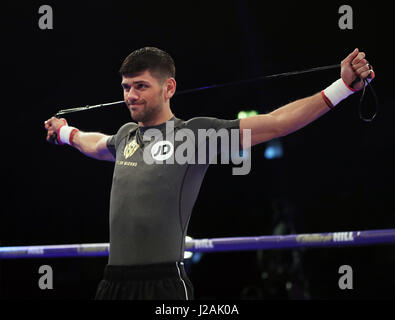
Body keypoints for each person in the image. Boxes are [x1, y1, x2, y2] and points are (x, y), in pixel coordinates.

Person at [44, 47, 374, 300]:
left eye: (140, 86)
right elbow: (96, 144)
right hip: (112, 282)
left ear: (168, 88)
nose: (130, 95)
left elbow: (276, 123)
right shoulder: (126, 135)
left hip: (163, 284)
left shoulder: (195, 135)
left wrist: (342, 87)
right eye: (126, 87)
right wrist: (64, 132)